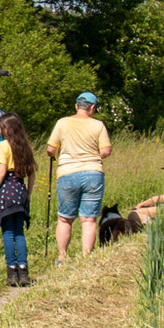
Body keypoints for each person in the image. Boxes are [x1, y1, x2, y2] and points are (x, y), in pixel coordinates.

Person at [46, 91, 113, 265]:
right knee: (89, 219)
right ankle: (86, 257)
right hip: (93, 172)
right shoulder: (98, 125)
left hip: (68, 173)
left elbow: (51, 149)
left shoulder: (63, 123)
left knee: (65, 218)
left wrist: (56, 154)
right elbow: (106, 151)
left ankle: (62, 257)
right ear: (92, 108)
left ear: (76, 106)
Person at [0, 112, 38, 286]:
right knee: (19, 233)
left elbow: (1, 172)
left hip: (6, 190)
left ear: (6, 129)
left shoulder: (4, 146)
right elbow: (32, 173)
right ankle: (23, 271)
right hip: (20, 188)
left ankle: (11, 271)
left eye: (0, 127)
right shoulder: (25, 146)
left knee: (8, 232)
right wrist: (28, 193)